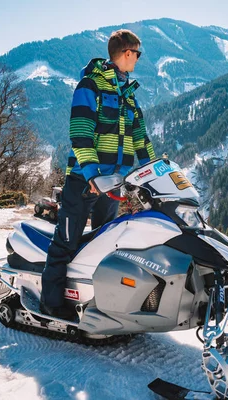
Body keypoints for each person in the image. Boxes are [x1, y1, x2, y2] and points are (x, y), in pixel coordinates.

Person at [40, 29, 156, 318]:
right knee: (65, 243)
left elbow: (141, 140)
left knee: (105, 247)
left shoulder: (128, 94)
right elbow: (80, 136)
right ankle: (50, 305)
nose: (138, 60)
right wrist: (92, 177)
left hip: (115, 184)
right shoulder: (89, 87)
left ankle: (95, 302)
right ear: (127, 53)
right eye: (137, 54)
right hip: (85, 182)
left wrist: (154, 173)